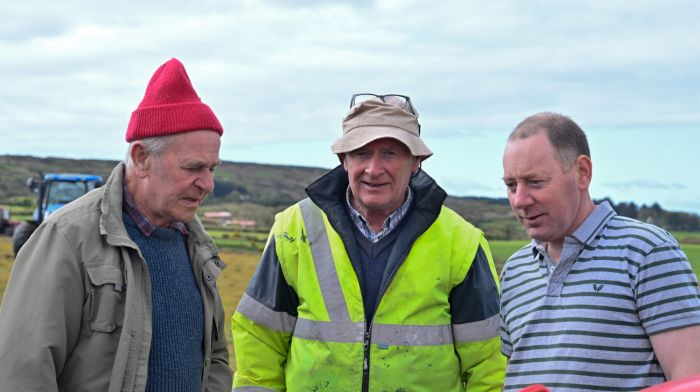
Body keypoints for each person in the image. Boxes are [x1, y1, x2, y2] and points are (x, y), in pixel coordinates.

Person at [232, 94, 506, 391]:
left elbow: (489, 362)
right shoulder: (294, 229)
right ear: (343, 160)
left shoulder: (460, 241)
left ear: (416, 162)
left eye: (390, 153)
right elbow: (260, 344)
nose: (373, 170)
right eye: (361, 153)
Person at [0, 58, 233, 391]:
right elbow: (23, 372)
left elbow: (216, 357)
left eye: (213, 168)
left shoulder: (198, 248)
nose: (207, 184)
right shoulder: (67, 238)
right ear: (141, 158)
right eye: (194, 167)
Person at [499, 112, 700, 391]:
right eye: (511, 185)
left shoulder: (647, 252)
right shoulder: (514, 270)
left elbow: (690, 379)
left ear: (582, 172)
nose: (519, 200)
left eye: (535, 182)